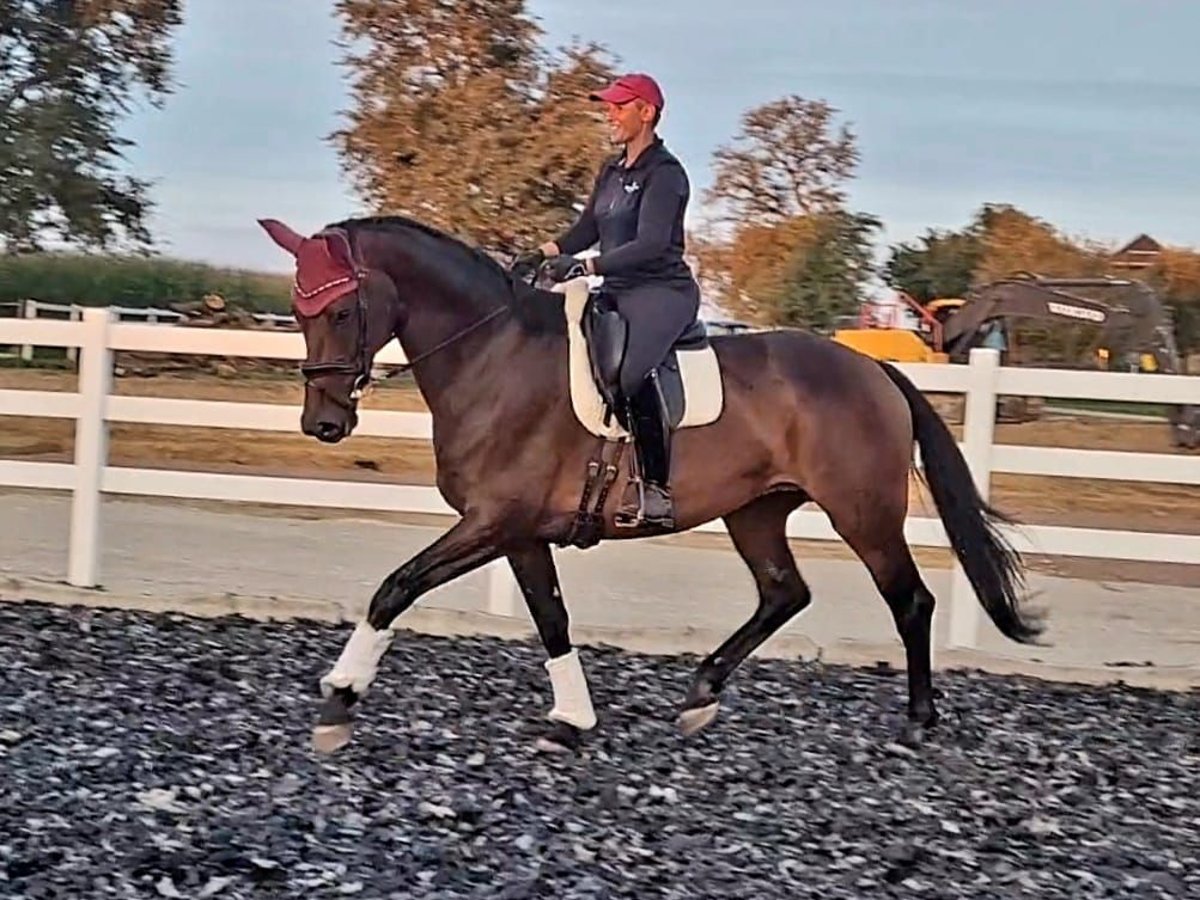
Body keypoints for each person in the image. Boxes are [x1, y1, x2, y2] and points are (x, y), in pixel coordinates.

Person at [511, 73, 700, 530]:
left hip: (662, 292)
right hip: (619, 289)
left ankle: (656, 489)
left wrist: (588, 268)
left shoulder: (666, 174)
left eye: (618, 106)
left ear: (646, 112)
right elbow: (586, 231)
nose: (608, 114)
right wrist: (544, 253)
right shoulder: (612, 171)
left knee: (630, 372)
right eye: (608, 107)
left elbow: (653, 243)